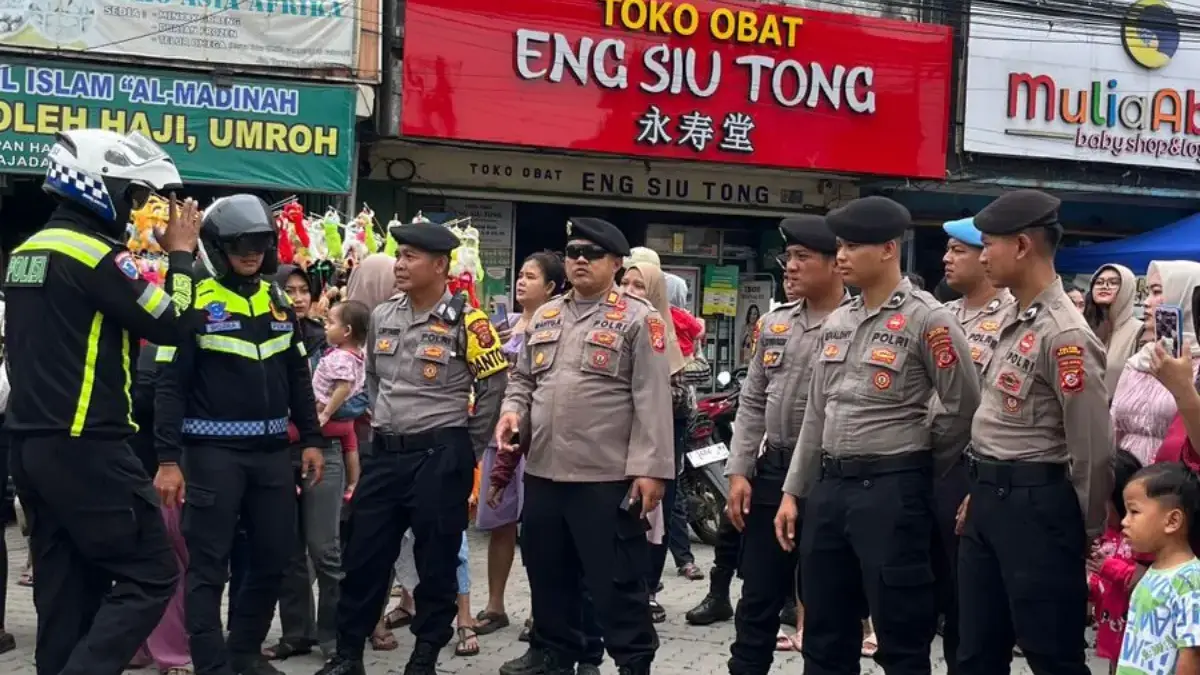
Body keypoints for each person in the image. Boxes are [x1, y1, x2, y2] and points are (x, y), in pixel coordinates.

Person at [4, 129, 200, 675]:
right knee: (153, 571)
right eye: (132, 196)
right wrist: (181, 257)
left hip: (31, 446)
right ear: (100, 188)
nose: (135, 210)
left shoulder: (28, 251)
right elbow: (174, 323)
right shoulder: (95, 255)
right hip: (87, 446)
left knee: (67, 592)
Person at [774, 196, 980, 675]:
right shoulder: (839, 320)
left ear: (888, 249)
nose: (840, 255)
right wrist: (793, 490)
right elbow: (817, 414)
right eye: (839, 245)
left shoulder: (929, 319)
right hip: (829, 491)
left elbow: (961, 407)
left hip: (891, 492)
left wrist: (916, 460)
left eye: (852, 246)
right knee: (824, 631)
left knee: (900, 635)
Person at [317, 220, 508, 675]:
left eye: (410, 257)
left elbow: (494, 384)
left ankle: (424, 655)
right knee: (364, 556)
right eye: (398, 255)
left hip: (438, 456)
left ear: (440, 266)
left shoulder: (468, 321)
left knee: (436, 560)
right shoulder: (383, 314)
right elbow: (376, 382)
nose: (399, 264)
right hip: (385, 453)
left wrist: (468, 443)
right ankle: (348, 654)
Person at [154, 194, 326, 675]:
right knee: (210, 566)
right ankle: (211, 665)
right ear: (217, 246)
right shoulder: (196, 299)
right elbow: (170, 385)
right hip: (212, 455)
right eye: (240, 244)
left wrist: (310, 438)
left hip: (273, 454)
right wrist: (168, 460)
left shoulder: (276, 298)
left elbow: (297, 374)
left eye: (260, 244)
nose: (252, 253)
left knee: (275, 556)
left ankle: (245, 651)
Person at [494, 216, 674, 675]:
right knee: (547, 573)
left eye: (590, 254)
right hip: (544, 472)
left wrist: (651, 471)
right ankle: (552, 652)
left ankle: (632, 662)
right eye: (572, 252)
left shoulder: (638, 319)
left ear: (615, 263)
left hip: (605, 477)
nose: (578, 260)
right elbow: (523, 379)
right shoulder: (548, 314)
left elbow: (652, 399)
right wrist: (512, 412)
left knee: (614, 582)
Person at [956, 189, 1113, 675]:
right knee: (975, 651)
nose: (983, 256)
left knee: (1051, 653)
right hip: (987, 498)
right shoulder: (1009, 316)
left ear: (1022, 246)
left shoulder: (1064, 334)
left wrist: (1084, 528)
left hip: (1038, 509)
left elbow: (1092, 448)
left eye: (989, 244)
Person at [725, 216, 846, 672]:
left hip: (828, 479)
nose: (789, 268)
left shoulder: (855, 325)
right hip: (771, 474)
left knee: (826, 598)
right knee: (757, 595)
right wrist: (739, 472)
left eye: (802, 258)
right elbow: (752, 401)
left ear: (837, 265)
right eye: (787, 258)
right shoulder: (775, 325)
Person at [936, 216, 1019, 671]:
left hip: (978, 470)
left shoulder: (1012, 317)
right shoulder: (940, 315)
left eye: (958, 250)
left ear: (985, 256)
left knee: (971, 612)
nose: (946, 259)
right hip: (931, 464)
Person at [475, 252, 567, 636]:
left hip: (541, 440)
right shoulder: (501, 326)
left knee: (540, 531)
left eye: (531, 277)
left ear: (550, 287)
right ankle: (495, 605)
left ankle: (540, 609)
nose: (521, 282)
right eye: (520, 275)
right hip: (502, 434)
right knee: (501, 523)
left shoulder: (559, 326)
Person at [622, 261, 688, 623]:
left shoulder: (665, 333)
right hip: (612, 447)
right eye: (625, 282)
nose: (630, 290)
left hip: (656, 450)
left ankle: (647, 590)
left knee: (654, 519)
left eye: (639, 285)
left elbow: (682, 400)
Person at [1114, 462, 1200, 674]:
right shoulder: (1154, 572)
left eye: (1134, 511)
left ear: (1172, 521)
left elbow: (1193, 654)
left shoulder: (1190, 581)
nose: (1124, 521)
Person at [1112, 261, 1200, 466]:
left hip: (1173, 484)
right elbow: (1113, 424)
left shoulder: (1195, 368)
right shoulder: (1140, 359)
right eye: (1148, 292)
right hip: (1123, 479)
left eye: (1157, 291)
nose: (1147, 302)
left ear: (1185, 295)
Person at [1086, 449, 1141, 671]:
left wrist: (1107, 567)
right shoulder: (1104, 535)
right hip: (1110, 625)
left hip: (1133, 630)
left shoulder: (1139, 538)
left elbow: (1139, 577)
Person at [1084, 263, 1143, 393]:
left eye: (1113, 282)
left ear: (1127, 289)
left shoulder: (1140, 331)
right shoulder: (1084, 327)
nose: (1105, 286)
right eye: (1099, 282)